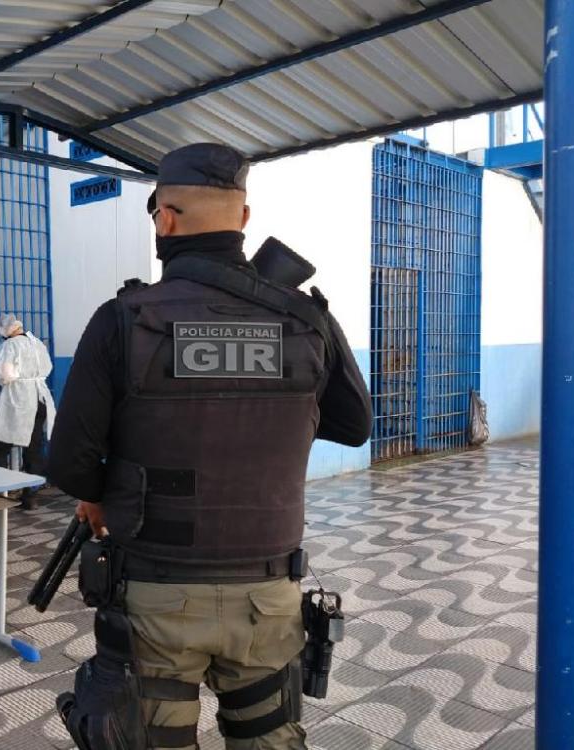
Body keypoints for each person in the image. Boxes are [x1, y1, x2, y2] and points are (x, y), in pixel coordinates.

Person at [48, 143, 372, 750]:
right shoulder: (305, 319)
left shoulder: (123, 319)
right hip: (268, 597)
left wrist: (97, 495)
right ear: (244, 219)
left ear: (164, 220)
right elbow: (354, 426)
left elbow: (69, 461)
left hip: (155, 597)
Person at [0, 314, 56, 510]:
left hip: (19, 400)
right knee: (33, 448)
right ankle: (30, 495)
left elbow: (6, 375)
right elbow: (48, 367)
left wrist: (1, 375)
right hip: (40, 397)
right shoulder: (37, 344)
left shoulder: (9, 346)